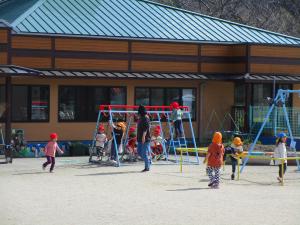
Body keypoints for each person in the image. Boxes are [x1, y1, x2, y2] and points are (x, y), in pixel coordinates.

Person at [137, 105, 151, 172]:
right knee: (139, 152)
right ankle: (148, 161)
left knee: (144, 153)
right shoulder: (141, 117)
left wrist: (143, 137)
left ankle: (147, 167)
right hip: (139, 138)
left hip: (145, 138)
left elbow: (145, 129)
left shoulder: (146, 118)